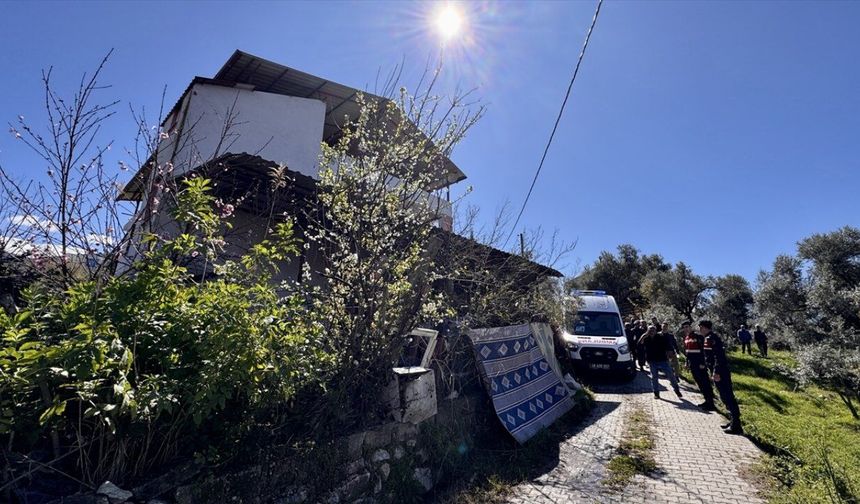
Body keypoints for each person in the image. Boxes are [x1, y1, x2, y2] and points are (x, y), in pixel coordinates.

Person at [701, 320, 743, 434]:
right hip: (716, 371)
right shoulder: (708, 338)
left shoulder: (712, 338)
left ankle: (736, 426)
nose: (700, 330)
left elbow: (719, 357)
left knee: (728, 396)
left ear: (705, 327)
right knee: (724, 397)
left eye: (701, 327)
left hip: (721, 373)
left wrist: (716, 372)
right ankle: (732, 421)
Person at [638, 325, 682, 399]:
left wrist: (670, 354)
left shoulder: (660, 337)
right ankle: (656, 393)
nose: (651, 332)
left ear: (656, 331)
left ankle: (677, 390)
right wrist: (643, 336)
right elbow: (639, 344)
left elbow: (668, 345)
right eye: (650, 330)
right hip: (652, 361)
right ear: (648, 331)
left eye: (653, 330)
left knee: (671, 376)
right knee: (654, 378)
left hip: (663, 360)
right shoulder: (646, 338)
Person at [681, 321, 715, 411]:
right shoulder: (686, 338)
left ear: (691, 327)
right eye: (684, 327)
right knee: (699, 383)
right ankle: (706, 401)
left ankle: (711, 403)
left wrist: (703, 363)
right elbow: (687, 352)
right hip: (693, 365)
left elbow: (703, 351)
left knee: (705, 383)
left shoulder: (698, 336)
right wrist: (686, 363)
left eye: (687, 326)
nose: (686, 328)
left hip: (700, 365)